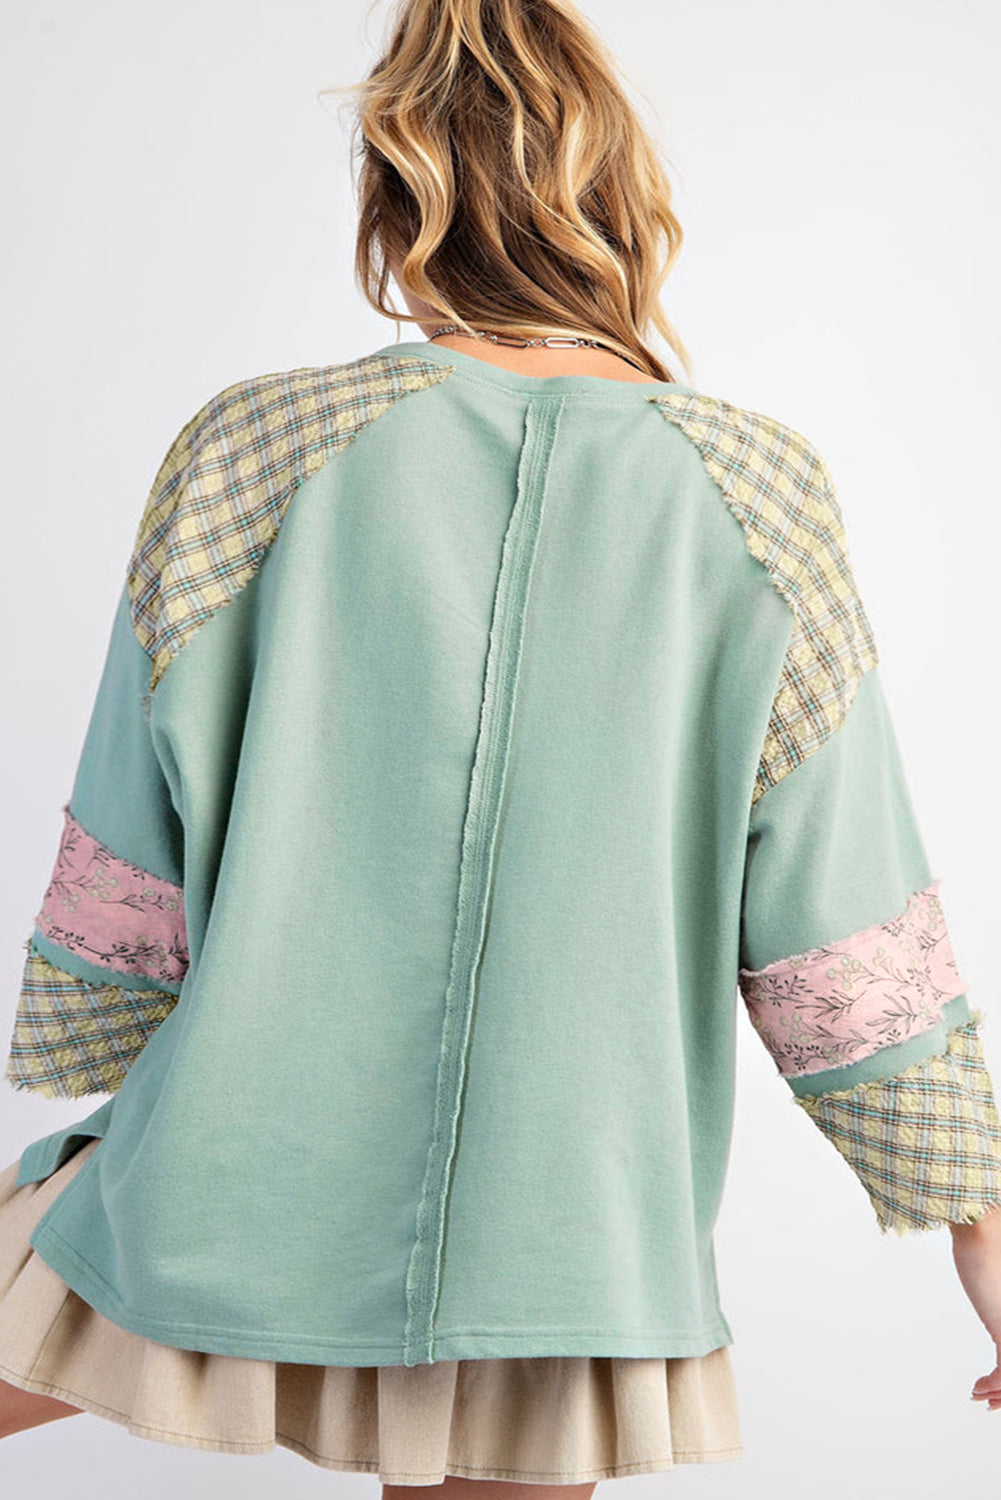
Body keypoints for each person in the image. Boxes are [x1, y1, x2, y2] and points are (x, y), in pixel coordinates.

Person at [3, 0, 1001, 1489]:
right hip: (573, 1233)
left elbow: (132, 835)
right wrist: (982, 1234)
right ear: (622, 202)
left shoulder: (259, 449)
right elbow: (845, 937)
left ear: (393, 203)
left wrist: (91, 1038)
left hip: (236, 1169)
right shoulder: (754, 495)